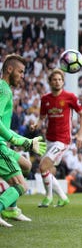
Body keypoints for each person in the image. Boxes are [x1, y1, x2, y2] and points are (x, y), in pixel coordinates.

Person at [0, 54, 46, 227]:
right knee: (22, 186)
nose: (22, 76)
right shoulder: (3, 89)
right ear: (9, 70)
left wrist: (25, 140)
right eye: (20, 71)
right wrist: (20, 141)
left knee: (26, 165)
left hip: (3, 143)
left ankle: (11, 209)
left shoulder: (4, 88)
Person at [32, 68, 82, 208]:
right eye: (54, 80)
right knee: (48, 170)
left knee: (43, 166)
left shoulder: (70, 97)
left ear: (63, 82)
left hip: (63, 140)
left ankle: (48, 197)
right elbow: (42, 118)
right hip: (49, 139)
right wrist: (36, 125)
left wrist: (80, 133)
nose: (57, 82)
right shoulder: (45, 99)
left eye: (59, 80)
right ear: (50, 82)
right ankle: (63, 197)